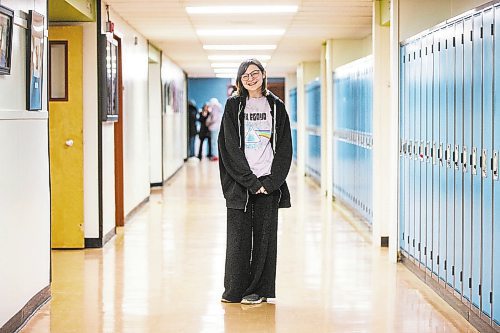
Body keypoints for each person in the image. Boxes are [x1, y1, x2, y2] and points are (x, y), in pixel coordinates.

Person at [217, 58, 292, 305]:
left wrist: (270, 183)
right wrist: (249, 181)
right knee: (237, 238)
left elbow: (284, 149)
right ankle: (235, 290)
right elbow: (229, 148)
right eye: (245, 75)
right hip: (240, 183)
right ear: (240, 80)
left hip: (269, 183)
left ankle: (259, 290)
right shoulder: (233, 106)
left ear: (263, 75)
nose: (250, 78)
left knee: (264, 239)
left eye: (255, 73)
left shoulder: (276, 107)